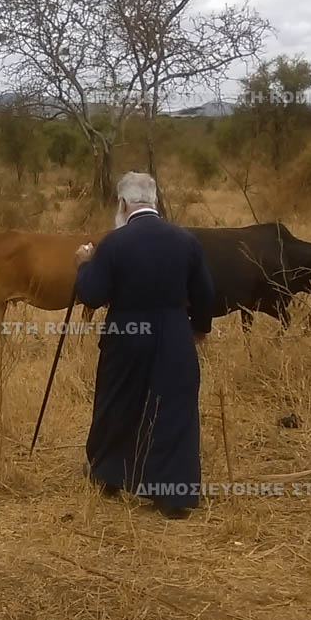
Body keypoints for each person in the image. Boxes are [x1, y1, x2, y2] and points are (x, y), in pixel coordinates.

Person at [74, 171, 215, 519]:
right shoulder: (185, 240)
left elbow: (92, 294)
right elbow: (206, 294)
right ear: (154, 201)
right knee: (174, 409)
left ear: (123, 204)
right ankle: (174, 498)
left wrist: (83, 265)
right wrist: (198, 329)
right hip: (173, 332)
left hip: (126, 333)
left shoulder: (114, 243)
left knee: (118, 401)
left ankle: (109, 477)